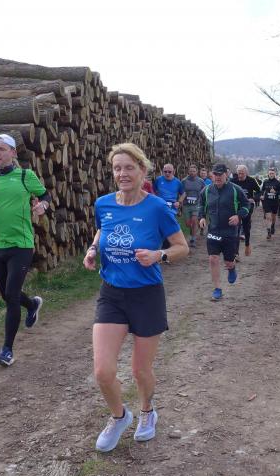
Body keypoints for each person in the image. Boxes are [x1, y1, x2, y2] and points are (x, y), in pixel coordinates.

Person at [83, 143, 189, 453]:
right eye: (117, 168)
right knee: (103, 371)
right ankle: (119, 417)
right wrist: (93, 249)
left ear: (143, 170)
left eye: (129, 167)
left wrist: (159, 255)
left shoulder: (157, 207)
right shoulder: (103, 204)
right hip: (112, 294)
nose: (123, 173)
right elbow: (101, 231)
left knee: (140, 370)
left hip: (146, 295)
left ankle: (147, 411)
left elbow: (182, 247)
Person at [0, 134, 51, 367]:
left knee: (11, 295)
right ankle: (32, 304)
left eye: (2, 149)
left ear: (13, 153)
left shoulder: (25, 176)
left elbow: (44, 195)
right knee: (6, 294)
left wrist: (42, 206)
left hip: (21, 245)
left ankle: (7, 350)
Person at [198, 163, 250, 301]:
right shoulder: (207, 190)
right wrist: (201, 217)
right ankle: (217, 289)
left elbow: (247, 205)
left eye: (220, 174)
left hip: (230, 232)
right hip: (214, 230)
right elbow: (201, 204)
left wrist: (238, 216)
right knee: (213, 259)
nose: (217, 177)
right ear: (212, 175)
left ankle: (231, 268)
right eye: (215, 174)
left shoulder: (235, 189)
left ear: (226, 174)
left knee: (228, 262)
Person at [230, 164, 260, 257]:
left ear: (246, 173)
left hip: (247, 206)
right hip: (236, 207)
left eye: (242, 173)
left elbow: (259, 191)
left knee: (246, 226)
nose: (240, 175)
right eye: (239, 173)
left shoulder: (251, 180)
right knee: (236, 228)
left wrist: (253, 198)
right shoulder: (233, 181)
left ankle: (247, 244)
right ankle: (236, 253)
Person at [181, 164, 206, 246]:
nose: (192, 173)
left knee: (194, 221)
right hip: (186, 205)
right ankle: (192, 232)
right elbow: (181, 192)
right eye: (191, 171)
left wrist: (202, 201)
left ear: (197, 172)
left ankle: (193, 239)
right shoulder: (184, 181)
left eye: (194, 171)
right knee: (188, 224)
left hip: (196, 204)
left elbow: (204, 191)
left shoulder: (200, 181)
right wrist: (180, 202)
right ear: (188, 171)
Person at [260, 167, 280, 240]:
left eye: (272, 173)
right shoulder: (265, 182)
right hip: (267, 202)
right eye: (270, 173)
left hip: (275, 202)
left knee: (273, 217)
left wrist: (275, 192)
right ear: (268, 174)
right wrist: (262, 195)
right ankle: (269, 232)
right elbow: (262, 190)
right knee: (268, 217)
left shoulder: (277, 182)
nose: (271, 175)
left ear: (274, 174)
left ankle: (273, 225)